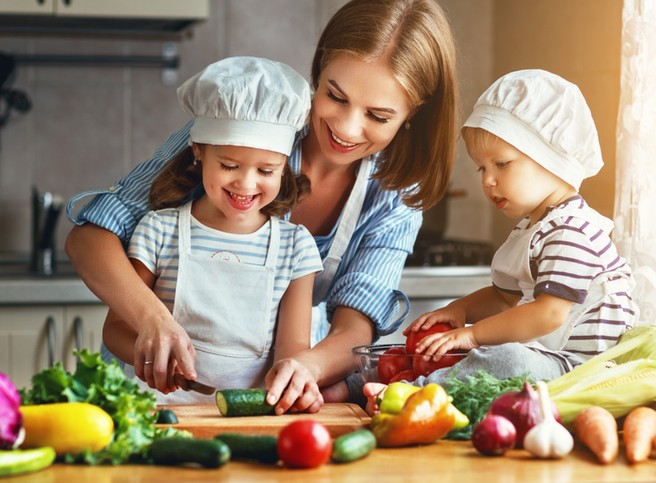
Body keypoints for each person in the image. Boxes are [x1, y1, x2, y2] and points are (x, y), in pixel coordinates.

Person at [64, 0, 459, 413]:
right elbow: (89, 239)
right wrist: (152, 321)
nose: (345, 127)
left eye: (378, 115)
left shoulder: (395, 193)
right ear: (319, 69)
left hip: (255, 399)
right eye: (335, 95)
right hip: (145, 390)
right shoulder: (244, 121)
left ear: (413, 114)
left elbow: (353, 326)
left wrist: (304, 368)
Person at [364, 69, 638, 411]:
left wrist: (473, 335)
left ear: (551, 158)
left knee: (506, 358)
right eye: (482, 168)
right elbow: (503, 298)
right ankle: (402, 386)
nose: (488, 180)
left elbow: (549, 314)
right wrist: (459, 310)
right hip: (547, 358)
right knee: (493, 354)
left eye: (502, 164)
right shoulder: (534, 227)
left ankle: (411, 394)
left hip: (580, 370)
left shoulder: (573, 230)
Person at [100, 56, 324, 404]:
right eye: (229, 165)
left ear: (284, 167)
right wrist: (150, 358)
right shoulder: (159, 231)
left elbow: (292, 348)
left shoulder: (295, 247)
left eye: (267, 171)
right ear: (199, 151)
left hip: (248, 416)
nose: (246, 184)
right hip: (160, 410)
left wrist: (291, 381)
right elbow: (115, 330)